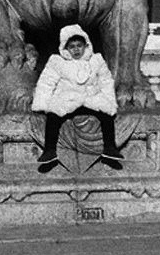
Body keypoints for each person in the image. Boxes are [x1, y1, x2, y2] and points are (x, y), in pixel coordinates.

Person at [31, 24, 123, 167]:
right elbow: (46, 82)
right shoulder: (58, 62)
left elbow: (106, 81)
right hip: (67, 99)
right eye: (72, 46)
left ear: (85, 45)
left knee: (106, 114)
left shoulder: (96, 60)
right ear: (65, 48)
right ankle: (49, 151)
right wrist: (41, 104)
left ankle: (110, 148)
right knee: (53, 116)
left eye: (79, 45)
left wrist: (110, 102)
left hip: (90, 98)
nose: (76, 49)